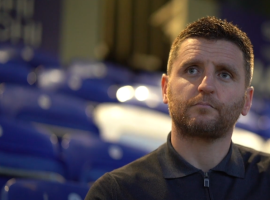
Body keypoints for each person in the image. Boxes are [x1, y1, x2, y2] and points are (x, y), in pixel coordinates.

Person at [85, 16, 270, 200]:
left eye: (224, 74)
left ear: (247, 100)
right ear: (165, 89)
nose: (206, 85)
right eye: (192, 70)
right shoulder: (115, 193)